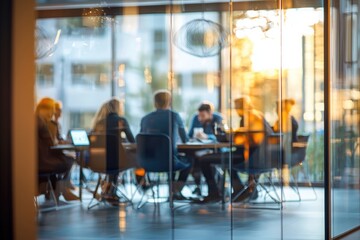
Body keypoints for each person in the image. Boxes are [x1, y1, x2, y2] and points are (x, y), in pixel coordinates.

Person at [196, 96, 273, 203]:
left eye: (237, 108)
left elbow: (241, 139)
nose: (236, 111)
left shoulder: (248, 117)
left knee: (204, 159)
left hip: (249, 157)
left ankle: (214, 193)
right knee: (228, 159)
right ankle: (239, 189)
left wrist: (229, 136)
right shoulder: (258, 115)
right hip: (262, 157)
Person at [140, 89, 191, 200]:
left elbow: (141, 139)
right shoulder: (174, 116)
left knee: (168, 156)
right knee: (190, 159)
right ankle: (176, 191)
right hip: (169, 162)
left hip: (148, 162)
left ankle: (173, 191)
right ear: (169, 102)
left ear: (154, 102)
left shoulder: (145, 119)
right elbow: (185, 139)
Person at [91, 97, 136, 203]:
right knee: (121, 158)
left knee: (113, 157)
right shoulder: (121, 120)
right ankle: (111, 191)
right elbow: (132, 141)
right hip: (117, 161)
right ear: (118, 108)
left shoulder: (99, 122)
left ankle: (108, 190)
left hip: (98, 161)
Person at [36, 97, 78, 201]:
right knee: (70, 159)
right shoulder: (41, 123)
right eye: (51, 112)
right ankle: (62, 189)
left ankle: (61, 189)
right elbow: (51, 143)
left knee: (63, 157)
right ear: (45, 109)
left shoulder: (33, 120)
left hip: (36, 161)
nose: (51, 116)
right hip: (43, 163)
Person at [187, 102, 223, 196]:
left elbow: (221, 137)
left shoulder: (218, 119)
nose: (200, 118)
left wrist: (207, 136)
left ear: (210, 113)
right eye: (199, 115)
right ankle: (200, 186)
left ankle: (214, 190)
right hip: (198, 149)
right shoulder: (195, 118)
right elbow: (189, 135)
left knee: (204, 159)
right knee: (191, 157)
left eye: (203, 115)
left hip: (214, 150)